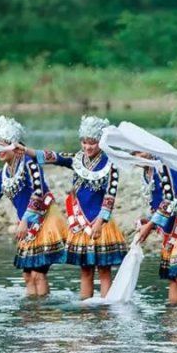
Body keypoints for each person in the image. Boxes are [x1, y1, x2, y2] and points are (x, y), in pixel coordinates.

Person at [24, 116, 128, 299]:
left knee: (104, 272)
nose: (87, 147)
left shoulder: (110, 164)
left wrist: (100, 222)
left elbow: (110, 196)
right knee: (85, 271)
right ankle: (85, 310)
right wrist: (26, 150)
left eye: (92, 143)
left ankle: (107, 310)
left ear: (101, 142)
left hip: (101, 223)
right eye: (84, 142)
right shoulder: (76, 159)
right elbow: (54, 157)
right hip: (81, 226)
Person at [0, 116, 68, 297]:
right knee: (27, 276)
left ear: (14, 146)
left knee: (38, 274)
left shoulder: (30, 163)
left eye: (3, 146)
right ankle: (32, 311)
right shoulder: (4, 173)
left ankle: (45, 310)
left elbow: (38, 192)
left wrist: (25, 221)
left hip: (44, 220)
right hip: (26, 224)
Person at [136, 158, 177, 306]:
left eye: (140, 152)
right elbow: (156, 204)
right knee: (172, 276)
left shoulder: (162, 168)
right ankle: (174, 316)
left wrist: (150, 225)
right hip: (170, 225)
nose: (137, 156)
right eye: (134, 153)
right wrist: (147, 222)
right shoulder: (147, 172)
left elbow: (169, 200)